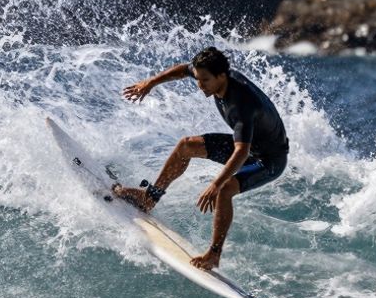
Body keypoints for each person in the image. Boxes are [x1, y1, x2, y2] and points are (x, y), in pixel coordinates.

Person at [116, 47, 288, 270]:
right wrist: (151, 83)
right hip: (250, 147)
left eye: (205, 80)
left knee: (225, 189)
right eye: (198, 79)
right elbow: (182, 70)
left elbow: (241, 152)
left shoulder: (242, 104)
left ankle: (213, 255)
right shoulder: (211, 75)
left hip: (268, 160)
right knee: (186, 146)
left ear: (222, 76)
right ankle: (149, 198)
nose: (200, 85)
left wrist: (215, 185)